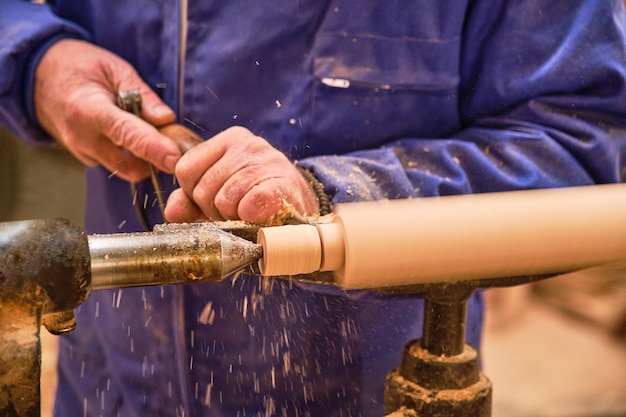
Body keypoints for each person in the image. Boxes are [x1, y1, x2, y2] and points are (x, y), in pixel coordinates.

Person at [2, 1, 626, 416]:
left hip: (370, 392)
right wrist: (36, 61)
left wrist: (334, 196)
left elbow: (581, 144)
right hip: (111, 383)